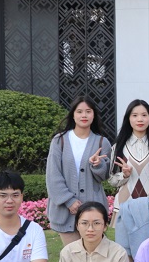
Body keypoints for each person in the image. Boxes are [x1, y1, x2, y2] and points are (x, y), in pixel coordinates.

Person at [46, 96, 112, 246]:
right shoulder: (59, 141)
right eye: (79, 111)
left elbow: (105, 176)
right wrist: (68, 200)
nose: (84, 115)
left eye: (88, 111)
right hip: (65, 211)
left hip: (93, 210)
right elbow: (52, 175)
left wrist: (98, 165)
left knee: (94, 256)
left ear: (93, 115)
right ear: (73, 114)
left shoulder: (102, 142)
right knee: (72, 256)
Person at [108, 99, 149, 231]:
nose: (140, 119)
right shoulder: (118, 147)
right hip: (124, 207)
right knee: (124, 244)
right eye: (135, 115)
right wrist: (124, 175)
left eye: (144, 115)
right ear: (128, 119)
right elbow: (111, 180)